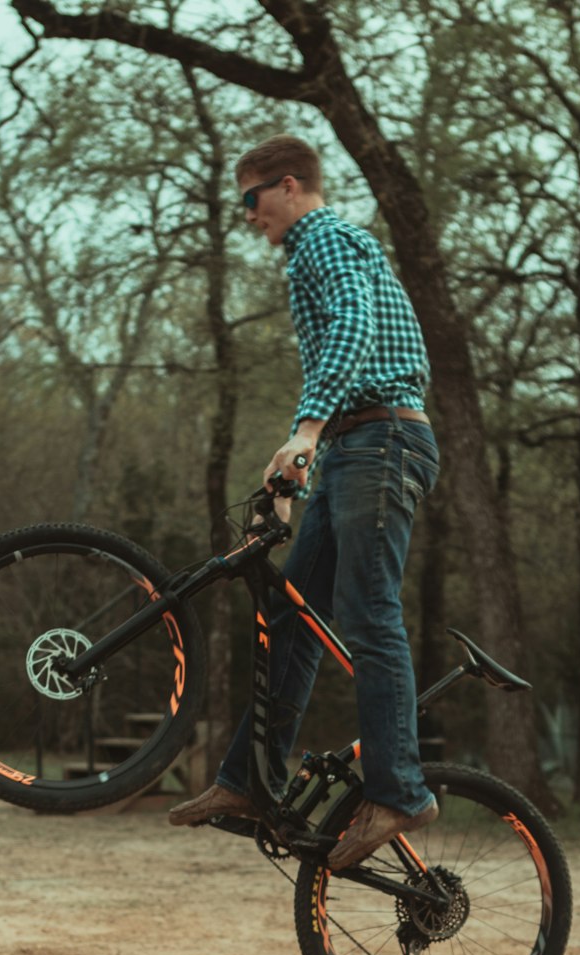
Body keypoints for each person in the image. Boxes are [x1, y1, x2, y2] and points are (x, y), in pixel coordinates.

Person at [169, 134, 440, 870]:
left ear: (288, 187)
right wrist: (297, 467)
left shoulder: (325, 238)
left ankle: (400, 791)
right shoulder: (309, 252)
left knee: (368, 613)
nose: (247, 216)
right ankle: (250, 781)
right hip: (356, 446)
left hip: (381, 441)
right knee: (292, 611)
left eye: (250, 200)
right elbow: (336, 358)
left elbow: (352, 329)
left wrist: (309, 429)